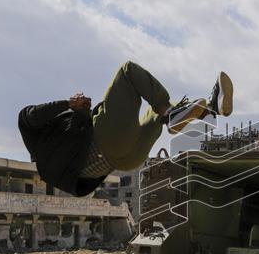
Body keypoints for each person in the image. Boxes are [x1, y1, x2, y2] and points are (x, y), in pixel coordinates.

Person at [18, 61, 233, 197]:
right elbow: (30, 115)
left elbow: (73, 147)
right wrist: (69, 104)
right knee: (127, 72)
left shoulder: (54, 157)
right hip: (105, 144)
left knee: (156, 114)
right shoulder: (36, 136)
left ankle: (208, 108)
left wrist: (80, 113)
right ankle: (173, 113)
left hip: (126, 161)